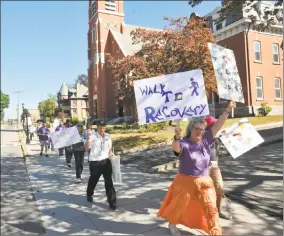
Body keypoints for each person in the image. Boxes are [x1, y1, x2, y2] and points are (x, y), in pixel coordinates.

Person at [157, 100, 236, 236]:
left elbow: (218, 124)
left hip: (204, 181)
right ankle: (172, 224)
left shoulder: (206, 139)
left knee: (211, 209)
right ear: (190, 129)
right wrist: (176, 137)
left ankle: (216, 232)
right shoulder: (184, 143)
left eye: (202, 129)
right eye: (196, 128)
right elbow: (176, 148)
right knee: (179, 207)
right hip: (185, 182)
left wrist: (227, 110)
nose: (199, 131)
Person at [204, 116, 232, 220]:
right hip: (201, 168)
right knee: (202, 191)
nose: (218, 127)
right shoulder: (202, 137)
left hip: (214, 166)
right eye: (216, 125)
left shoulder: (217, 137)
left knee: (219, 187)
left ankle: (218, 211)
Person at [84, 120, 116, 211]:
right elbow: (86, 147)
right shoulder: (93, 136)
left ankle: (112, 202)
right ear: (97, 127)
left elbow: (109, 148)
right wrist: (89, 139)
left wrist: (111, 154)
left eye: (103, 127)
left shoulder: (108, 136)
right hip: (95, 163)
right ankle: (89, 194)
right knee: (93, 180)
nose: (102, 129)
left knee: (109, 182)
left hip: (106, 162)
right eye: (100, 127)